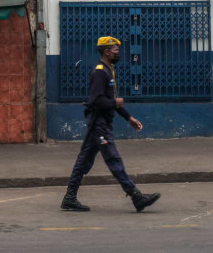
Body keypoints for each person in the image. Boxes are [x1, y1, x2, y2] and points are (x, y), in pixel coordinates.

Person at [61, 36, 161, 213]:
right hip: (99, 123)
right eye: (115, 50)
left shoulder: (109, 69)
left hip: (101, 122)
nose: (118, 53)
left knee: (84, 160)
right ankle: (136, 196)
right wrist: (116, 104)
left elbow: (112, 100)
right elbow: (96, 100)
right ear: (107, 52)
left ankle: (69, 198)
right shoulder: (100, 71)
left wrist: (128, 117)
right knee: (113, 159)